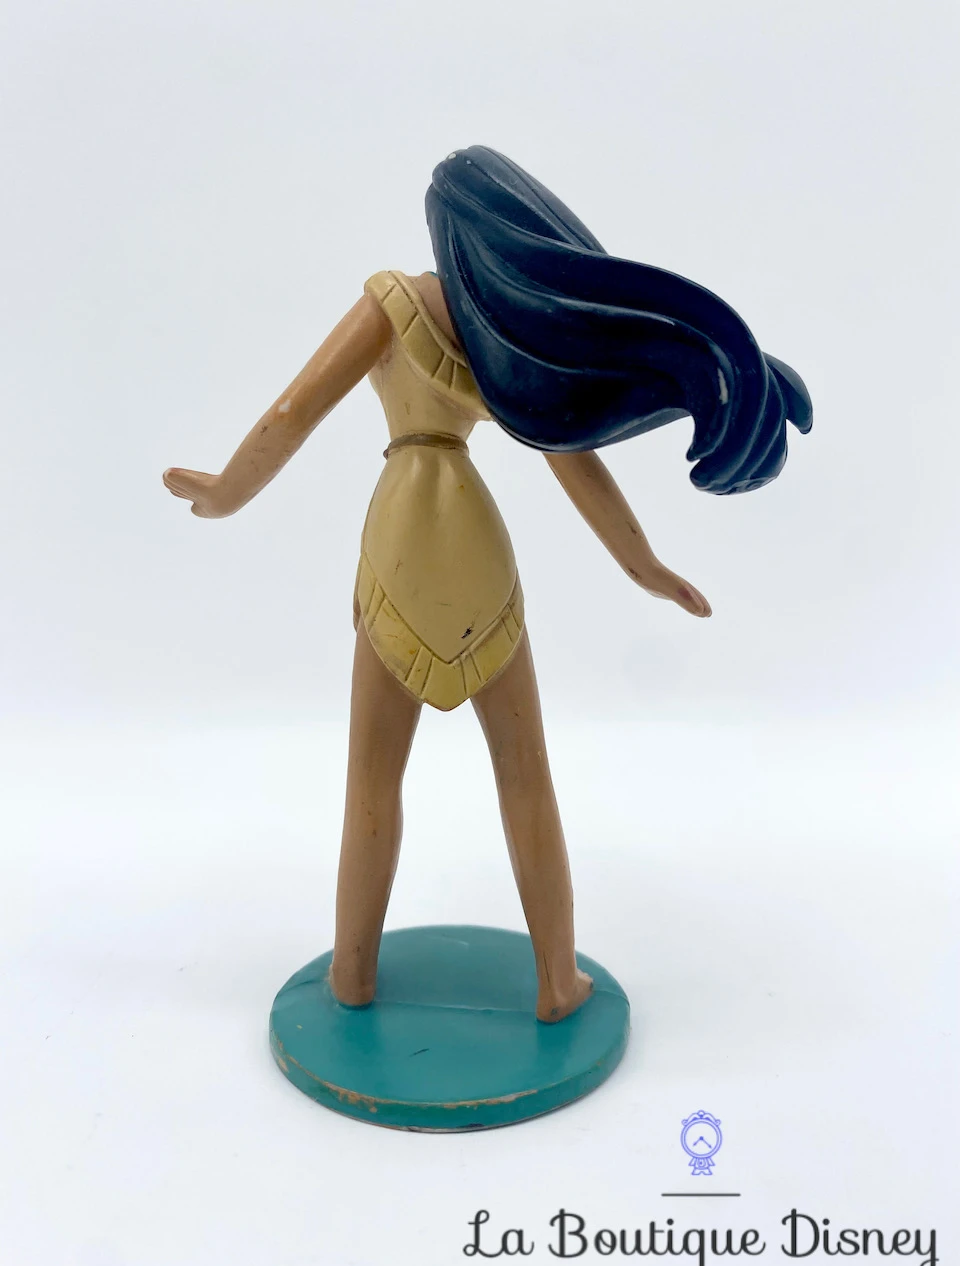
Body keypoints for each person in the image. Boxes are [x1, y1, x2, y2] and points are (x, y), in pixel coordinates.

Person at [164, 146, 811, 1022]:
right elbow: (576, 464)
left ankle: (352, 976)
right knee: (525, 775)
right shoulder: (504, 340)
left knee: (371, 779)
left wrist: (225, 493)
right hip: (475, 544)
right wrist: (642, 565)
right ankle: (556, 982)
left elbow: (292, 411)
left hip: (400, 537)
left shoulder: (392, 301)